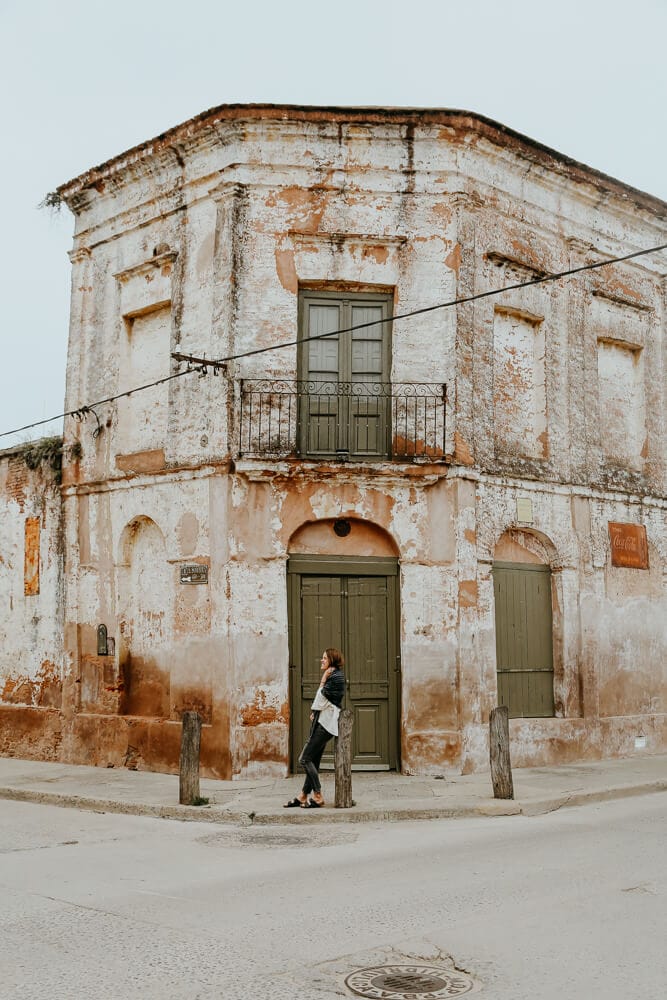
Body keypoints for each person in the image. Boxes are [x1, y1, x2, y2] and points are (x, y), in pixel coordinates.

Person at [284, 647, 345, 809]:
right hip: (321, 722)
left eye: (324, 658)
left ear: (332, 660)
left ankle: (317, 795)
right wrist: (316, 710)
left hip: (325, 725)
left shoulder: (336, 677)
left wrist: (323, 679)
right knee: (313, 760)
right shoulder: (335, 675)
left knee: (304, 759)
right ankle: (303, 795)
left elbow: (320, 700)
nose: (322, 660)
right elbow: (321, 703)